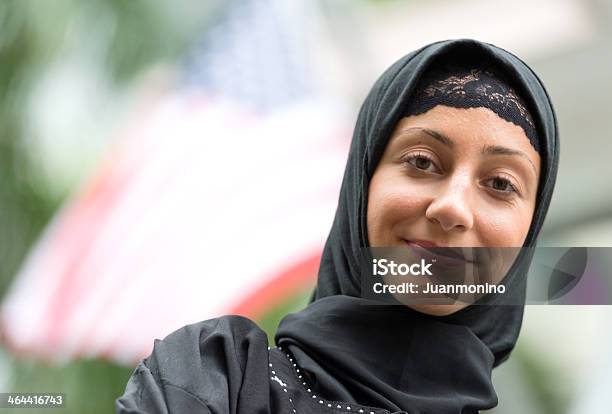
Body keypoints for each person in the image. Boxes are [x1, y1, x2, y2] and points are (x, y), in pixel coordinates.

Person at [116, 38, 559, 413]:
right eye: (422, 162)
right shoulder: (214, 380)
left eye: (501, 183)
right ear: (363, 182)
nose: (452, 208)